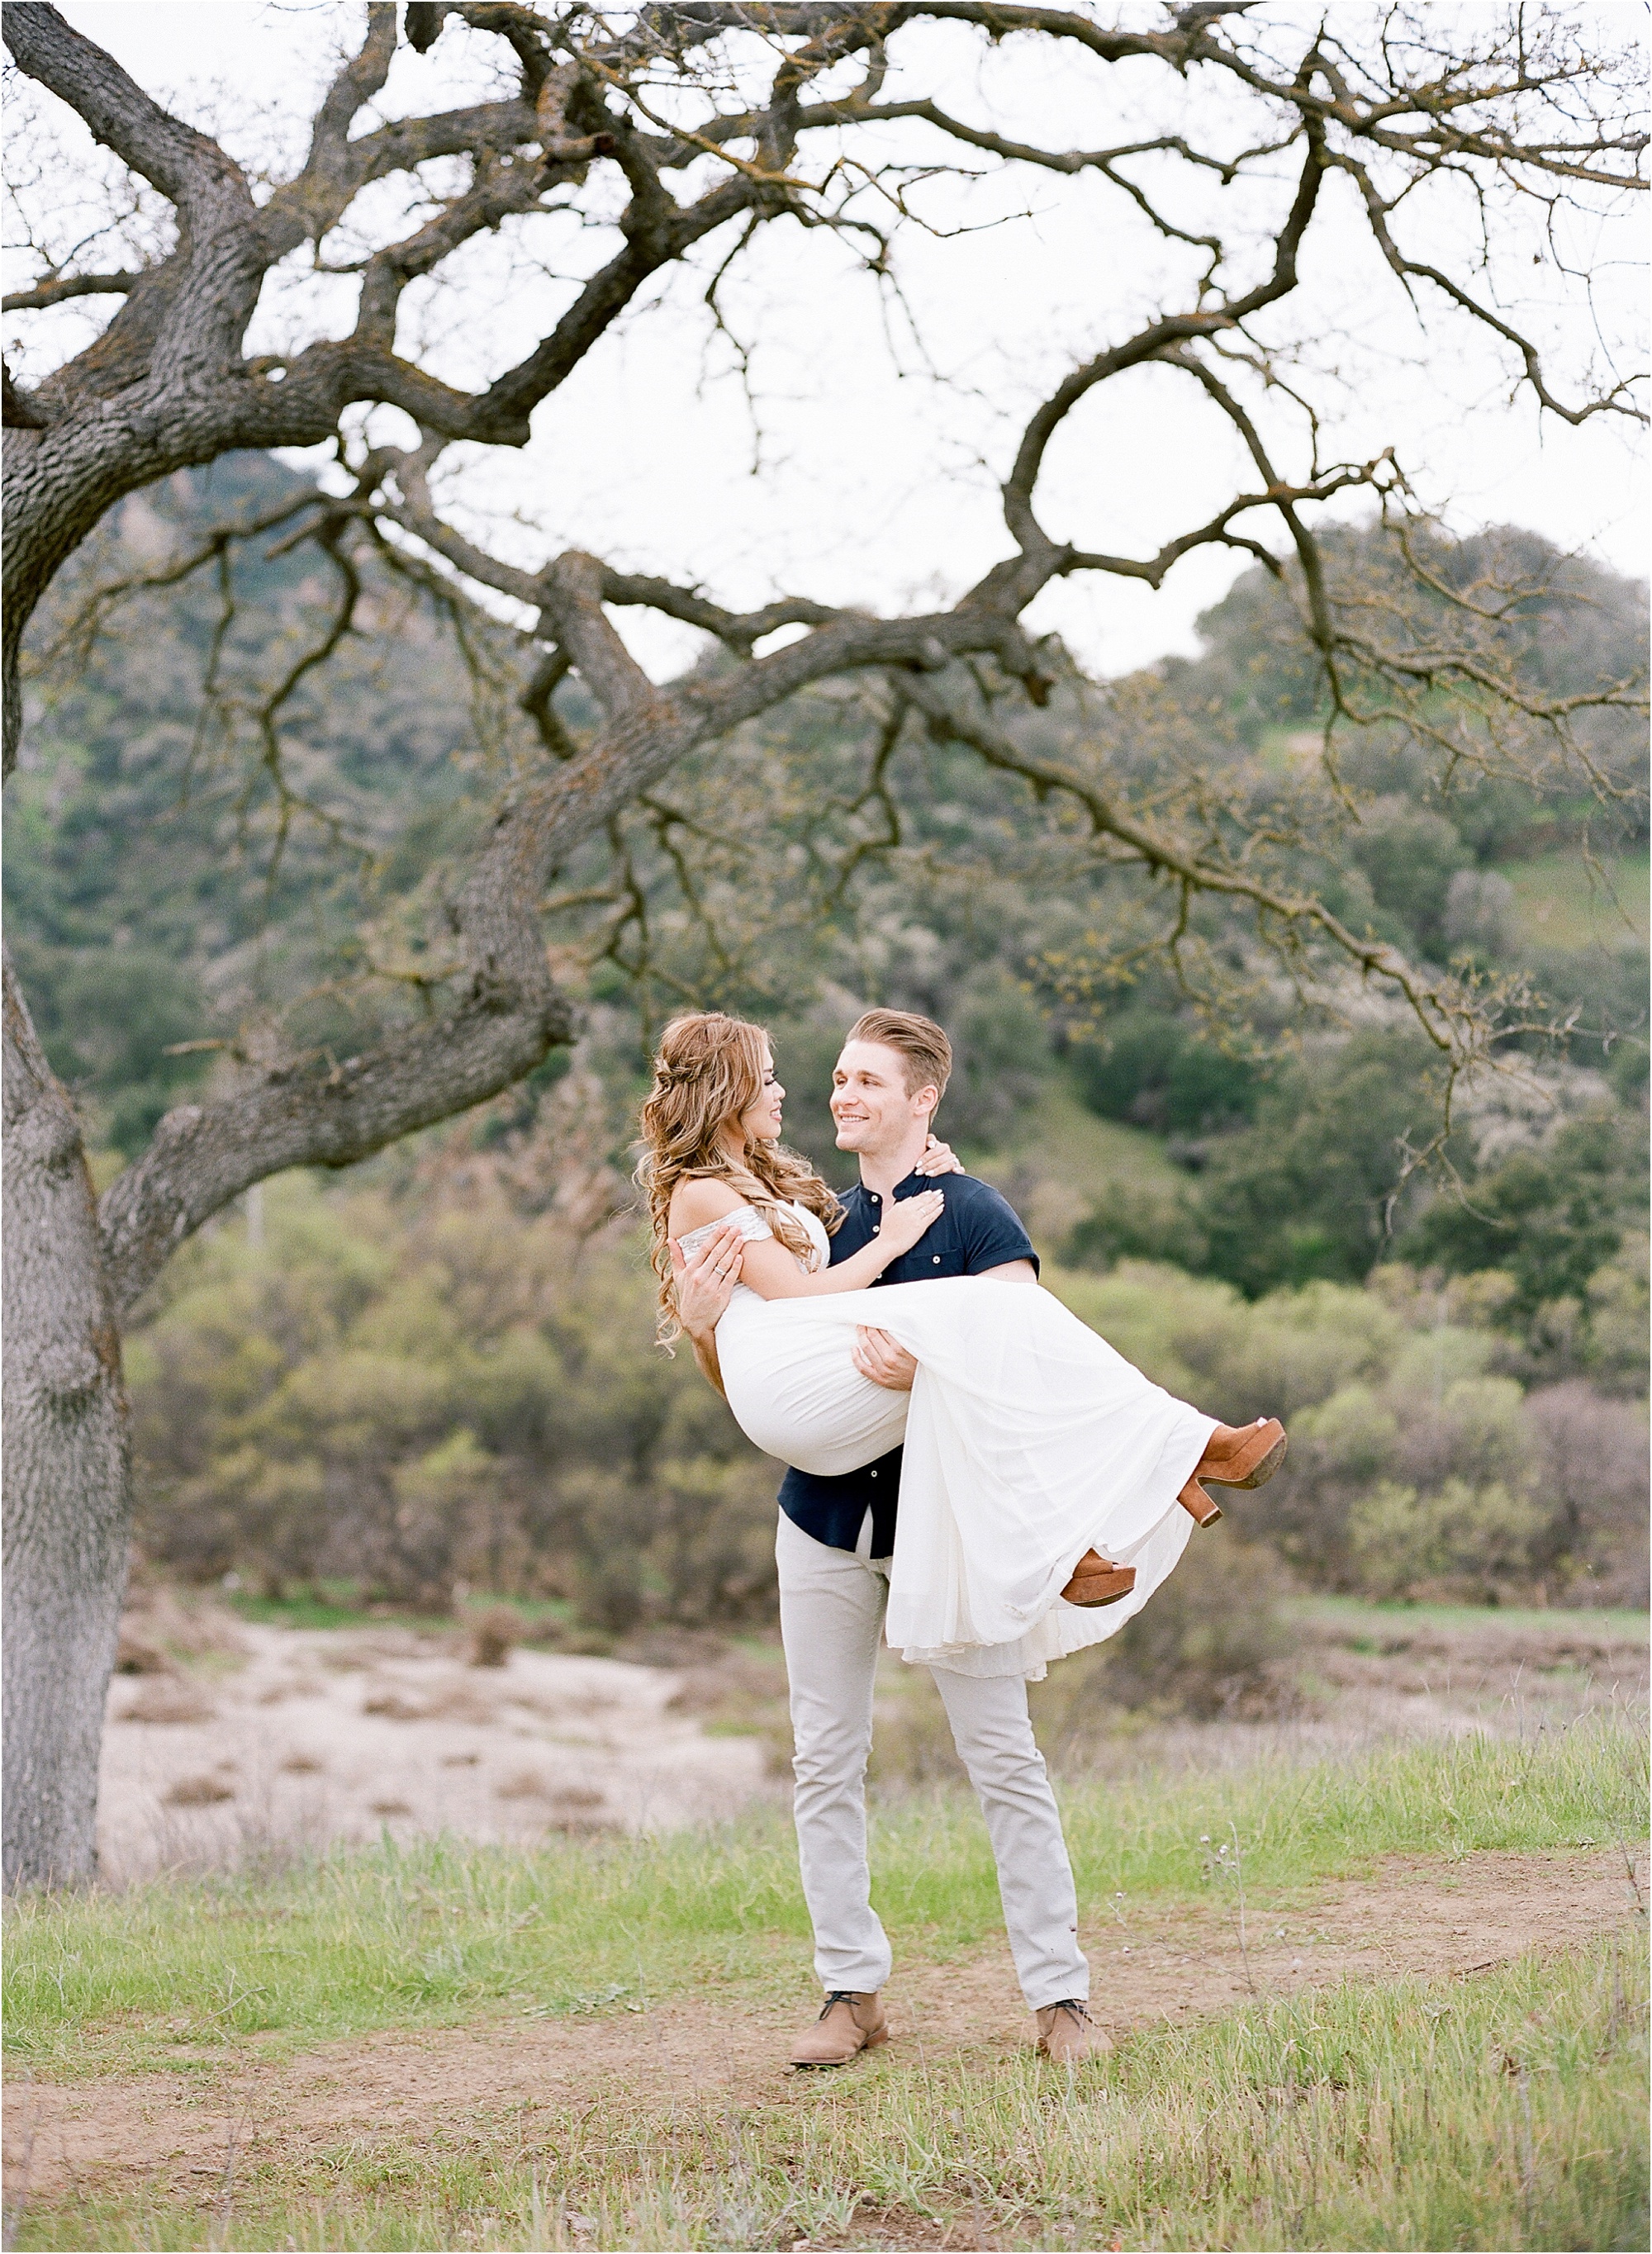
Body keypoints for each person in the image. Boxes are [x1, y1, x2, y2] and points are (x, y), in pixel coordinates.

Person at [646, 1008, 1285, 2070]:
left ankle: (1061, 1999)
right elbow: (772, 1376)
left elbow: (1018, 1375)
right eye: (832, 1078)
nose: (839, 1095)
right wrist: (707, 1325)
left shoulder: (975, 1210)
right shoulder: (822, 1217)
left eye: (864, 1082)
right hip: (822, 1517)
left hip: (948, 1525)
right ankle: (849, 1992)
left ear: (919, 1101)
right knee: (824, 1756)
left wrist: (933, 1367)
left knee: (1003, 1755)